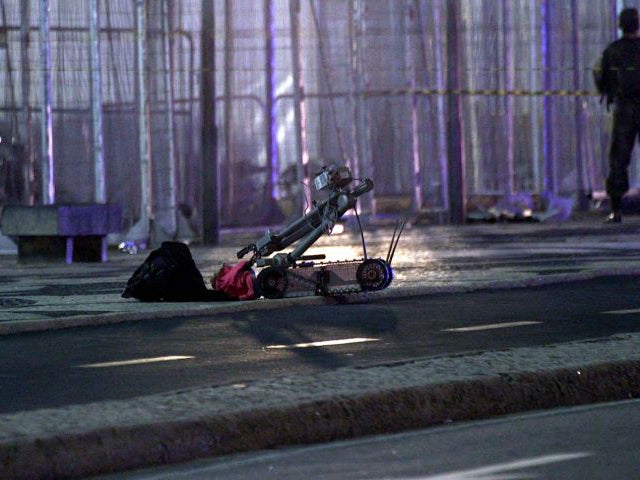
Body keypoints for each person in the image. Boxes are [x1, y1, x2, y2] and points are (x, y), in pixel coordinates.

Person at [594, 7, 640, 223]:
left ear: (621, 26)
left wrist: (609, 92)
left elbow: (600, 76)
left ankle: (617, 209)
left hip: (624, 108)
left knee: (619, 158)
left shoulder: (613, 51)